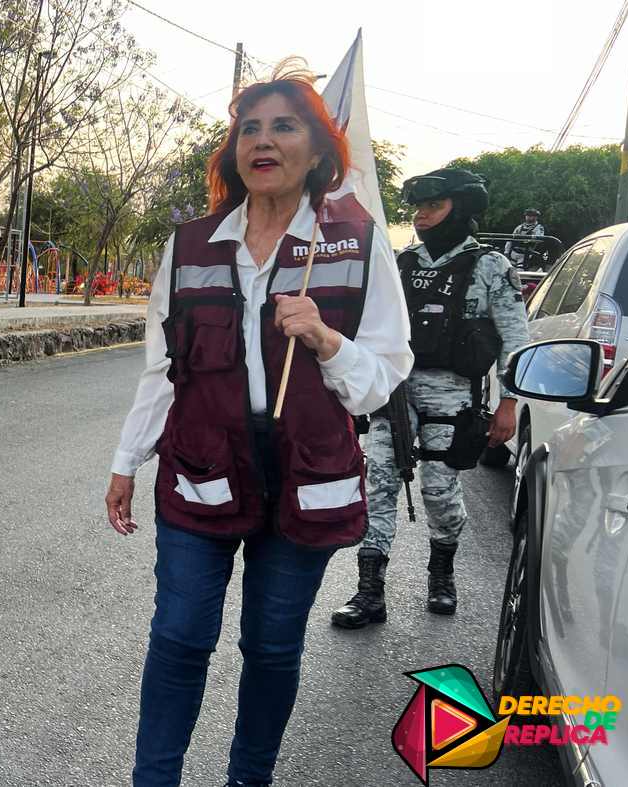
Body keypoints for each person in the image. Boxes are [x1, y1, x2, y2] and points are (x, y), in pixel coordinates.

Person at [104, 62, 412, 787]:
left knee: (272, 647)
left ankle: (250, 778)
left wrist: (328, 342)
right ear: (233, 148)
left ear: (318, 148)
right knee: (178, 637)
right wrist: (127, 459)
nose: (263, 141)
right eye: (250, 128)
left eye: (284, 125)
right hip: (201, 467)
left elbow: (382, 378)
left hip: (309, 478)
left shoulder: (359, 245)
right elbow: (163, 368)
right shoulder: (191, 244)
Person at [332, 168, 529, 628]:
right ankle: (369, 592)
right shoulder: (403, 263)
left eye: (433, 207)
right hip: (396, 394)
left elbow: (515, 338)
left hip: (452, 396)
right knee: (379, 482)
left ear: (460, 209)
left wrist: (508, 403)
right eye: (418, 208)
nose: (421, 217)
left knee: (439, 491)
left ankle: (441, 571)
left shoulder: (491, 267)